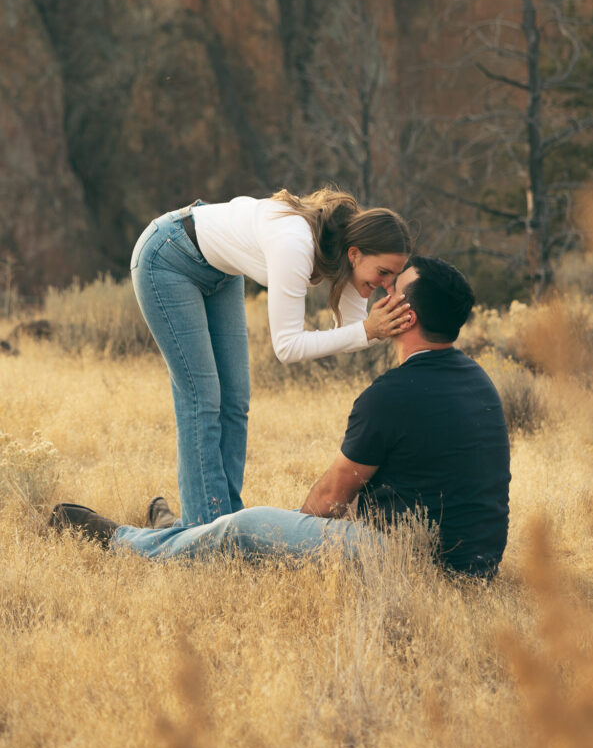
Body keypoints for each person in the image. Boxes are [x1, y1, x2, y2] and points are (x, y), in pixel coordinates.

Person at [50, 256, 511, 577]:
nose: (384, 289)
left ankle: (125, 543)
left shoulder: (393, 395)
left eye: (395, 288)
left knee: (251, 527)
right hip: (478, 564)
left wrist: (283, 533)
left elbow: (330, 498)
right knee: (246, 532)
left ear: (405, 316)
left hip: (409, 561)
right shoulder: (478, 381)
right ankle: (185, 535)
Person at [129, 188, 412, 528]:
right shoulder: (296, 245)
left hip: (220, 272)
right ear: (355, 254)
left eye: (393, 277)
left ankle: (226, 522)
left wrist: (389, 323)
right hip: (169, 256)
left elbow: (354, 331)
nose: (386, 285)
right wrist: (369, 329)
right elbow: (287, 347)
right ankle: (204, 530)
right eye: (383, 273)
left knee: (234, 401)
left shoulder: (349, 257)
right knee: (202, 399)